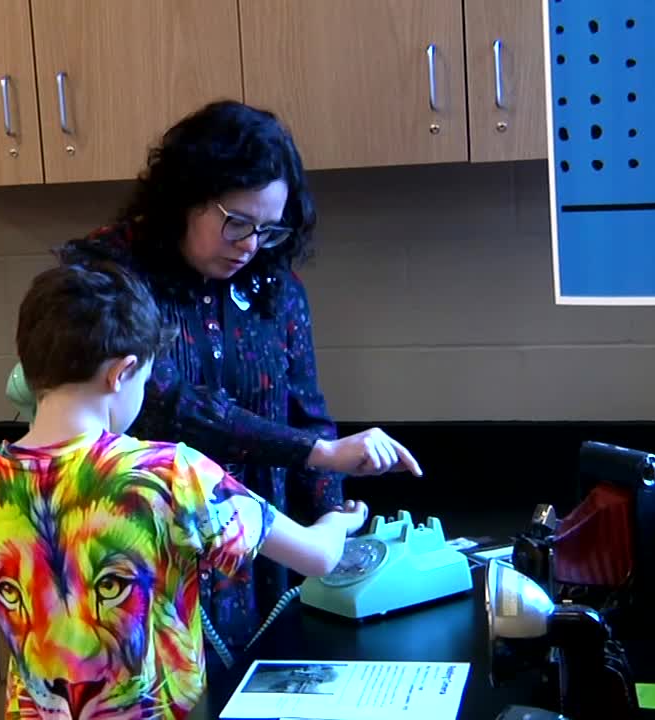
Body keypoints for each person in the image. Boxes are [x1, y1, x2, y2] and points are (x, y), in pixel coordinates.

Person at [50, 100, 421, 650]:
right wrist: (316, 453)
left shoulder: (274, 283)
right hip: (140, 557)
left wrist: (333, 525)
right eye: (237, 223)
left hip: (264, 559)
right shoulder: (108, 274)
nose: (250, 244)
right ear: (186, 199)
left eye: (269, 230)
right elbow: (165, 402)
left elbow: (306, 412)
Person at [0, 263, 369, 720]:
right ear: (122, 372)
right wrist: (340, 519)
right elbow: (318, 558)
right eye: (145, 382)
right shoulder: (169, 471)